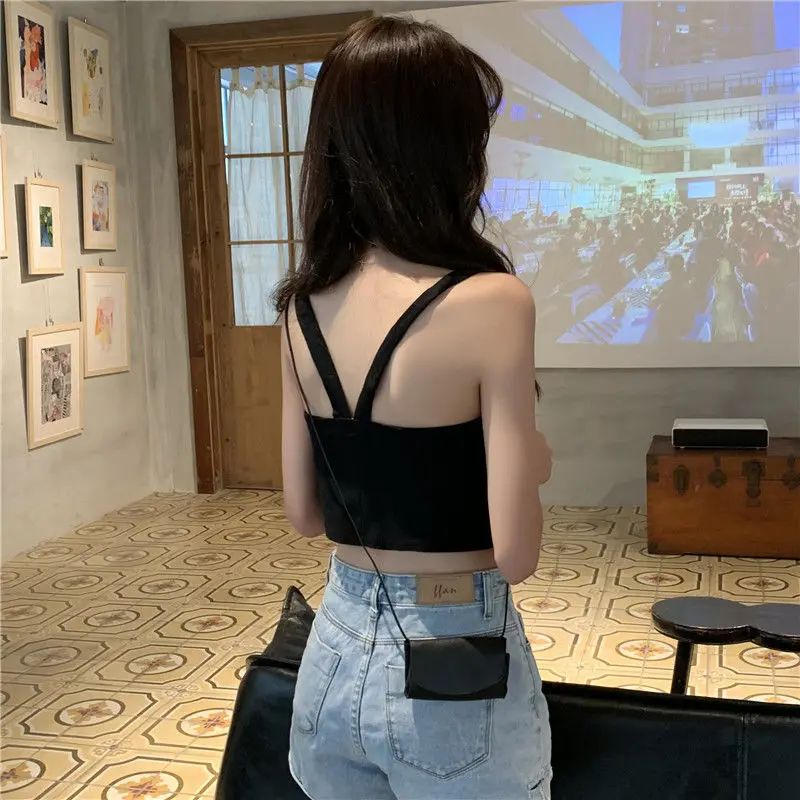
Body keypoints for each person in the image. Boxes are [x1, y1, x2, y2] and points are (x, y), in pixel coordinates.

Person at [275, 16, 552, 800]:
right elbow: (517, 553)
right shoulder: (494, 301)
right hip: (451, 652)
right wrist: (532, 461)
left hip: (333, 650)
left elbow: (303, 512)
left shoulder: (300, 308)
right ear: (447, 149)